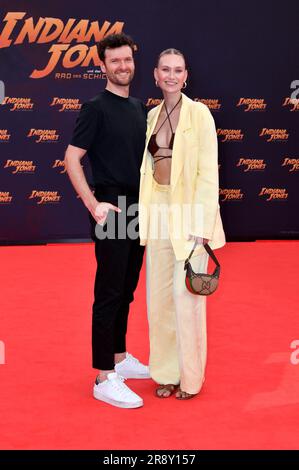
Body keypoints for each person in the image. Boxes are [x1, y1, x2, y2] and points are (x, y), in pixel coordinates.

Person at [65, 33, 150, 409]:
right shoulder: (94, 108)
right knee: (110, 292)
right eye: (114, 61)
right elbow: (72, 157)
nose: (122, 66)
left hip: (139, 208)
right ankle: (103, 376)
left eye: (127, 60)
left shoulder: (138, 107)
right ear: (102, 66)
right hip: (113, 208)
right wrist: (93, 203)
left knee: (128, 288)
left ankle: (119, 357)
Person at [139, 48, 226, 399]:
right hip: (157, 208)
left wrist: (202, 224)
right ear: (155, 75)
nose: (171, 76)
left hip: (189, 212)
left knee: (185, 296)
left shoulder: (200, 114)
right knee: (158, 299)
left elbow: (208, 172)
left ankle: (190, 379)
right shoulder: (151, 115)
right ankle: (165, 373)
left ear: (186, 75)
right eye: (165, 70)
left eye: (178, 70)